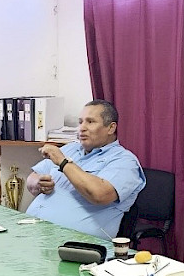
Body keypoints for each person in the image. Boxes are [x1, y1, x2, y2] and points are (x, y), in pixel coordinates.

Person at [25, 99, 145, 239]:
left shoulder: (125, 161)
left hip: (76, 244)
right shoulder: (70, 148)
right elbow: (32, 178)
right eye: (80, 122)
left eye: (90, 122)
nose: (82, 128)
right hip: (33, 232)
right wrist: (38, 183)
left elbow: (99, 195)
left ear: (111, 128)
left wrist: (63, 163)